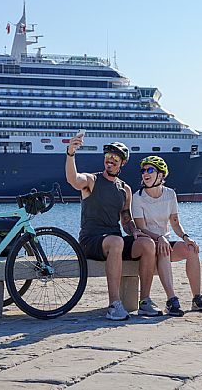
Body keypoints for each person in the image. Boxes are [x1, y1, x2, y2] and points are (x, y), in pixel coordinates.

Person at [66, 137, 162, 320]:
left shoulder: (124, 189)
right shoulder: (91, 180)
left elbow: (126, 219)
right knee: (116, 242)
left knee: (148, 244)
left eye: (115, 158)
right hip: (91, 241)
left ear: (122, 163)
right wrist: (71, 153)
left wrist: (134, 230)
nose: (110, 160)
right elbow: (73, 179)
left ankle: (145, 302)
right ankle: (114, 305)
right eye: (108, 156)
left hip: (114, 241)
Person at [132, 155, 202, 317]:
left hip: (165, 242)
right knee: (163, 249)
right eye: (143, 170)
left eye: (150, 170)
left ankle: (197, 298)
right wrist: (159, 237)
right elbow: (140, 228)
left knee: (192, 249)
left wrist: (186, 237)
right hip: (149, 245)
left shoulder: (170, 195)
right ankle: (171, 300)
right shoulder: (138, 197)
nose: (145, 173)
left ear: (160, 175)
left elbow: (175, 223)